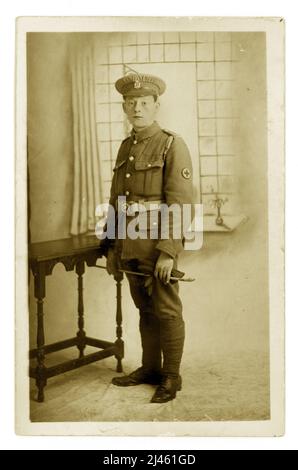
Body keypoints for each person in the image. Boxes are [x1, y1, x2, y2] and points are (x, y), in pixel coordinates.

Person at [99, 71, 194, 403]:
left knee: (167, 311)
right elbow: (116, 201)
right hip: (129, 245)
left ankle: (171, 377)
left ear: (156, 106)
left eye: (143, 102)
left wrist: (169, 251)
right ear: (125, 107)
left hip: (156, 246)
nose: (136, 108)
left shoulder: (171, 144)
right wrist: (112, 247)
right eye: (130, 103)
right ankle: (151, 368)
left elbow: (180, 203)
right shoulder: (127, 146)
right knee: (145, 311)